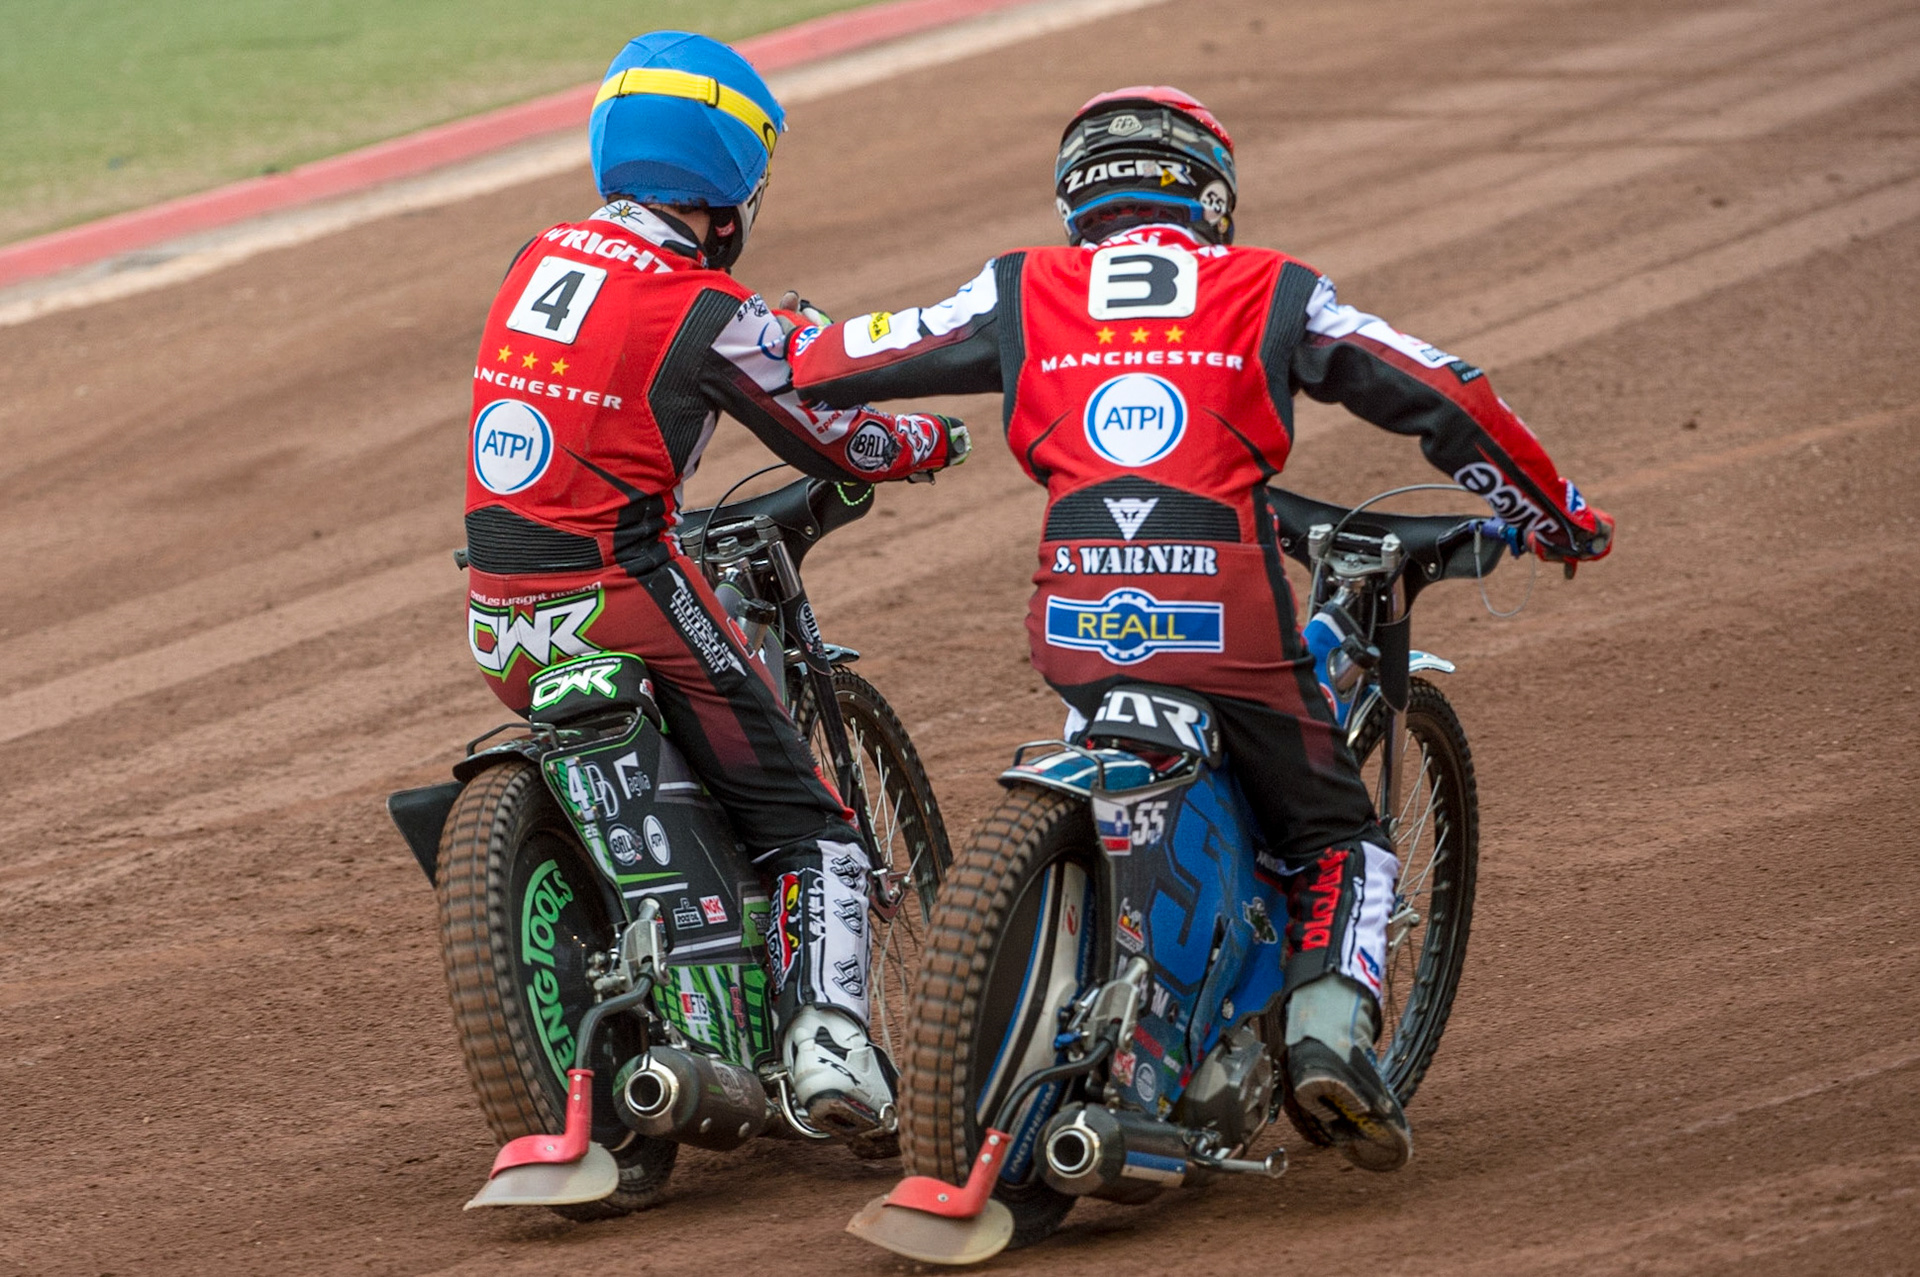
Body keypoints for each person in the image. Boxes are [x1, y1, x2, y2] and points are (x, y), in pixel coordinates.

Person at [790, 86, 1612, 1170]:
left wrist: (797, 335)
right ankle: (1326, 1034)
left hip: (1075, 612)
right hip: (1223, 600)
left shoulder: (1021, 286)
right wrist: (1552, 514)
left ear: (1077, 196)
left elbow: (832, 365)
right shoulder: (1272, 287)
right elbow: (1441, 390)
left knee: (1157, 733)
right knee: (1338, 831)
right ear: (1211, 197)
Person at [462, 31, 969, 1140]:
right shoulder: (705, 307)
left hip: (498, 617)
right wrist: (929, 437)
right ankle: (830, 1042)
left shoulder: (537, 255)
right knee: (818, 834)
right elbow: (834, 433)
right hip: (625, 589)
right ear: (729, 183)